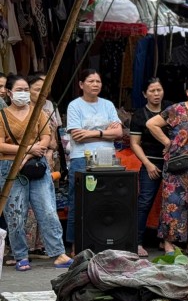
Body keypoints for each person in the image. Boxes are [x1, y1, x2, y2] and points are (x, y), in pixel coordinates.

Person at [0, 76, 69, 271]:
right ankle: (20, 255)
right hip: (9, 168)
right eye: (19, 89)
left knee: (47, 209)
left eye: (25, 89)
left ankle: (58, 253)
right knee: (15, 213)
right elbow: (0, 144)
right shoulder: (2, 115)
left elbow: (46, 138)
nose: (23, 93)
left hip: (37, 167)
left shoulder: (39, 112)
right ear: (10, 92)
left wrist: (27, 152)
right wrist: (29, 148)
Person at [147, 76, 188, 257]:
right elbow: (151, 124)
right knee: (174, 203)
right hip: (177, 165)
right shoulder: (176, 109)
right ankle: (168, 244)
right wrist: (168, 143)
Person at [66, 68, 123, 255]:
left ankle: (101, 242)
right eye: (91, 81)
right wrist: (105, 132)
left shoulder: (107, 105)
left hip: (107, 159)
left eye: (98, 81)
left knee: (106, 200)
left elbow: (118, 133)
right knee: (80, 201)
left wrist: (92, 132)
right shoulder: (74, 106)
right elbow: (77, 136)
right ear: (81, 84)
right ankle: (76, 244)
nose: (95, 84)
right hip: (81, 158)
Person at [129, 78, 165, 256]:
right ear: (144, 94)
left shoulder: (170, 110)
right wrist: (148, 164)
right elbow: (135, 143)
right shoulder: (139, 115)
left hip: (172, 162)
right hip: (150, 161)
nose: (156, 94)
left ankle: (167, 241)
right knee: (144, 201)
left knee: (172, 202)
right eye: (152, 91)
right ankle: (137, 242)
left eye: (159, 90)